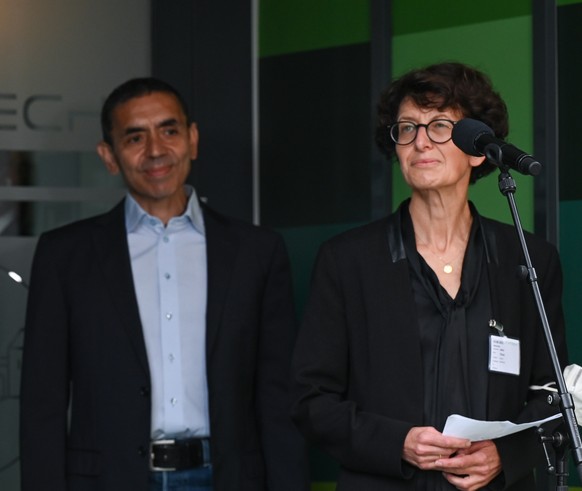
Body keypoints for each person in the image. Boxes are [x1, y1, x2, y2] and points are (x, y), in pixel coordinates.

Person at [20, 77, 309, 491]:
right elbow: (42, 405)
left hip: (227, 479)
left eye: (169, 131)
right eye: (135, 137)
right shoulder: (64, 256)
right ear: (109, 155)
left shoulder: (256, 252)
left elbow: (278, 397)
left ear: (192, 139)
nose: (156, 150)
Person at [290, 62, 568, 490]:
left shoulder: (530, 259)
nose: (420, 142)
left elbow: (552, 392)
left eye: (440, 126)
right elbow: (311, 400)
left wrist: (507, 454)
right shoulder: (348, 261)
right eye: (406, 129)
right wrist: (396, 442)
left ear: (478, 149)